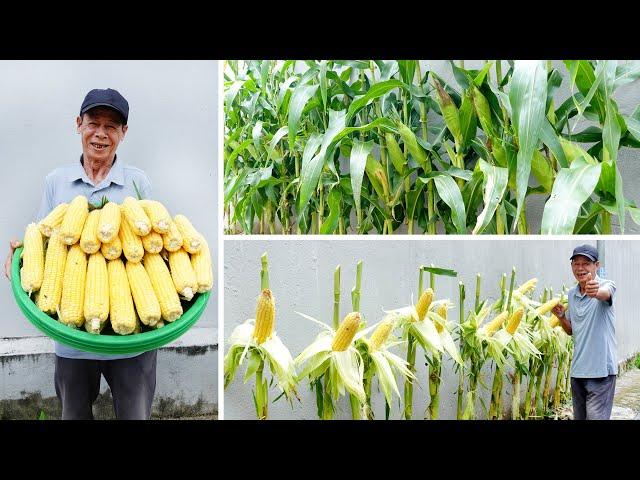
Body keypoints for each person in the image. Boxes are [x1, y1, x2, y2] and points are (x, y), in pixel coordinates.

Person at [4, 88, 157, 420]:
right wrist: (23, 253)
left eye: (111, 126)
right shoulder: (56, 182)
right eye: (93, 123)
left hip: (131, 341)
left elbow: (155, 246)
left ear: (123, 133)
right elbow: (42, 237)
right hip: (72, 338)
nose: (100, 134)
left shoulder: (137, 183)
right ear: (79, 124)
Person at [552, 244, 617, 420]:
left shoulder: (606, 285)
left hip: (601, 372)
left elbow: (605, 294)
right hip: (578, 372)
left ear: (597, 265)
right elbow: (572, 331)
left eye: (586, 263)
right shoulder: (572, 294)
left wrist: (595, 292)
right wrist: (561, 317)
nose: (580, 268)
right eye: (576, 263)